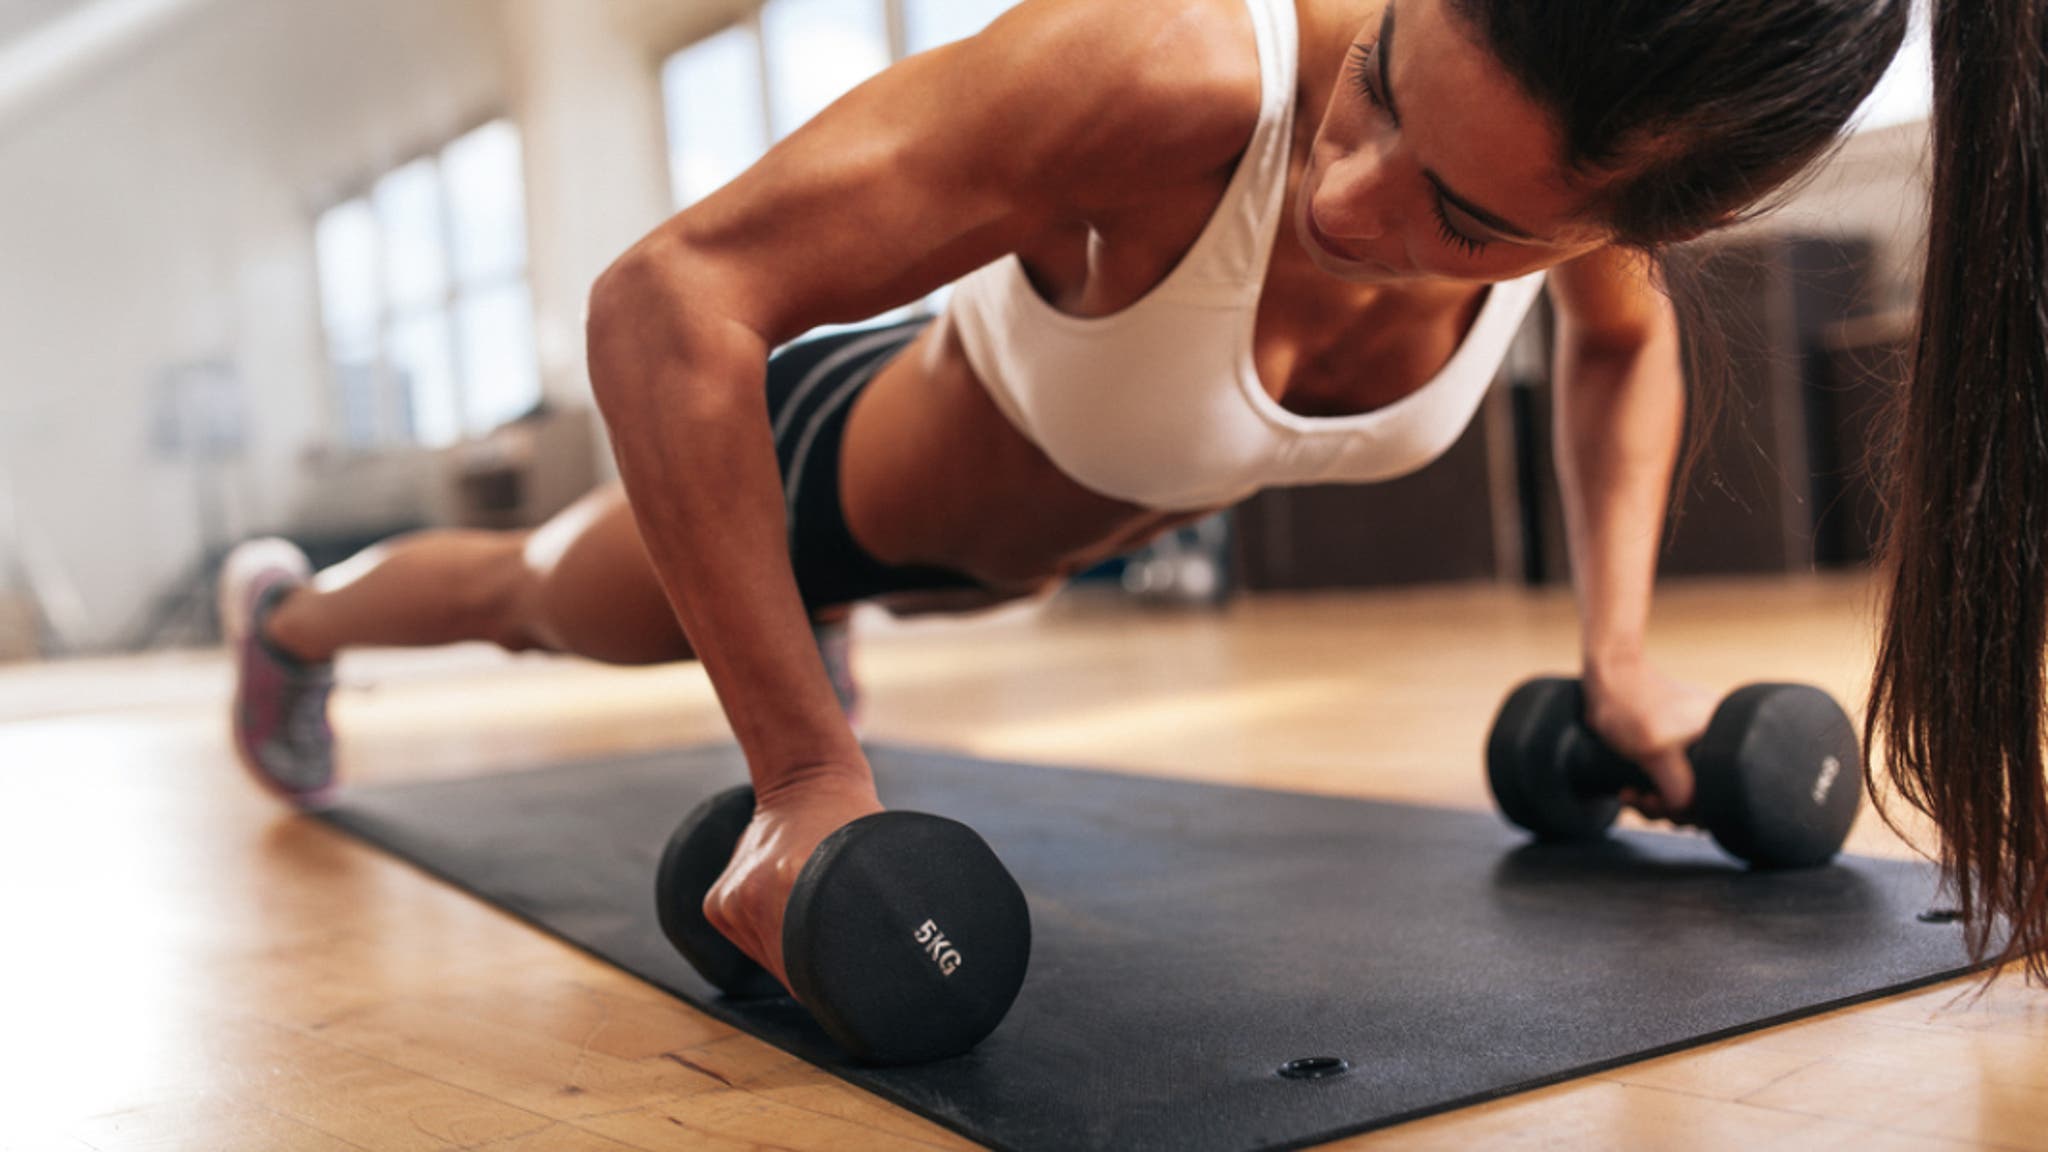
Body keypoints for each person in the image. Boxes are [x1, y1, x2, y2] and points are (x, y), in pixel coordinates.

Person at [224, 0, 2028, 996]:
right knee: (544, 598)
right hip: (845, 480)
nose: (1352, 195)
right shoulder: (1168, 71)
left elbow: (1627, 351)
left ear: (1641, 220)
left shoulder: (1599, 205)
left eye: (1464, 222)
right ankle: (291, 615)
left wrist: (1618, 664)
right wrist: (800, 778)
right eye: (1381, 90)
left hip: (1029, 543)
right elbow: (665, 297)